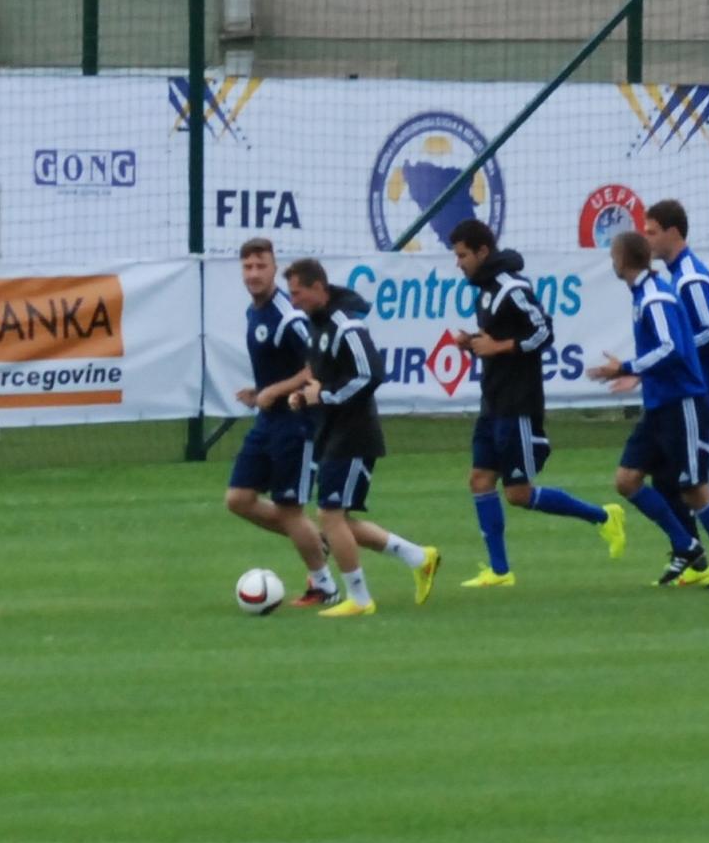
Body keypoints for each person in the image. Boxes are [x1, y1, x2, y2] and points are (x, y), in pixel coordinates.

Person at [448, 217, 618, 584]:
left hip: (517, 402)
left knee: (518, 493)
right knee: (479, 480)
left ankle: (603, 516)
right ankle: (499, 571)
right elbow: (504, 335)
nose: (458, 263)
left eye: (462, 255)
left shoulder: (512, 286)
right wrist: (476, 340)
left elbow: (543, 330)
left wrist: (498, 346)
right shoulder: (487, 289)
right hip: (492, 401)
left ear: (482, 251)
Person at [284, 257, 441, 615]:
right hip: (333, 431)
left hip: (354, 434)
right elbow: (325, 377)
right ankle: (419, 557)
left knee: (330, 516)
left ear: (318, 288)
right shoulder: (318, 325)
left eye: (297, 294)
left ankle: (359, 599)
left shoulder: (346, 326)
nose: (293, 302)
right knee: (339, 519)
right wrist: (304, 395)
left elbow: (371, 375)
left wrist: (322, 396)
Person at [588, 229, 709, 585]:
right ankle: (686, 545)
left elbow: (670, 347)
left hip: (682, 403)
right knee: (627, 480)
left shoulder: (655, 297)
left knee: (696, 487)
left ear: (622, 259)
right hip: (660, 404)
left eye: (613, 254)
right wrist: (642, 377)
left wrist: (628, 367)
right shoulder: (643, 293)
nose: (611, 261)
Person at [223, 235, 343, 608]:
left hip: (296, 422)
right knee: (239, 499)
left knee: (290, 508)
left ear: (275, 268)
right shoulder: (253, 311)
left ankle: (324, 586)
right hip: (267, 421)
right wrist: (259, 391)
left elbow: (314, 368)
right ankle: (310, 536)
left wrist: (274, 391)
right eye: (248, 267)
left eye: (261, 266)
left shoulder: (287, 316)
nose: (254, 274)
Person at [642, 199, 709, 585]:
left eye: (651, 231)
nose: (646, 238)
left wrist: (676, 349)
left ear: (673, 231)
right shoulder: (674, 275)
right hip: (690, 397)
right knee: (667, 481)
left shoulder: (689, 278)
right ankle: (692, 554)